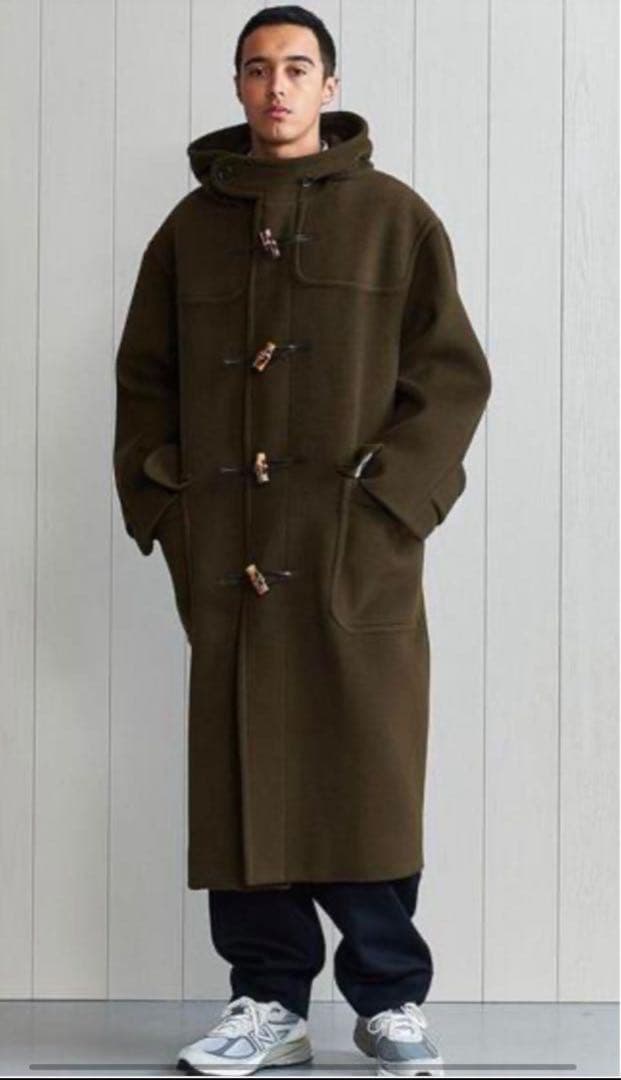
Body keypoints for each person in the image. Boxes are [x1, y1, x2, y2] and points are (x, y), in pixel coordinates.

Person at [113, 6, 492, 1078]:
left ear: (329, 85)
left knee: (365, 770)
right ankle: (267, 1003)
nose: (275, 86)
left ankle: (390, 1000)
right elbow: (144, 382)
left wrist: (390, 508)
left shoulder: (395, 219)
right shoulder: (189, 231)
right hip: (229, 553)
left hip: (350, 556)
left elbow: (450, 378)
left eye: (295, 67)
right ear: (237, 86)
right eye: (255, 69)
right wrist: (167, 508)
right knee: (241, 778)